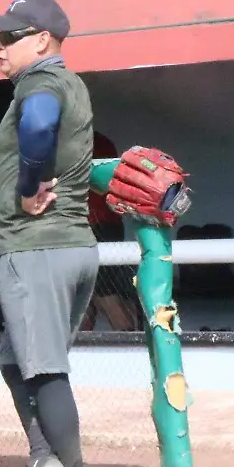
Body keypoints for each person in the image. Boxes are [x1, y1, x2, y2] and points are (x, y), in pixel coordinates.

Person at [0, 0, 99, 467]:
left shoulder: (42, 82)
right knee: (16, 361)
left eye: (11, 37)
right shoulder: (68, 82)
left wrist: (27, 186)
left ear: (43, 40)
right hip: (68, 245)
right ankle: (45, 463)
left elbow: (38, 126)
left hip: (37, 247)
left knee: (46, 372)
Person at [80, 131, 141, 331]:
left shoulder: (75, 142)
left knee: (103, 294)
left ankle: (129, 341)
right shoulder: (102, 141)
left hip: (91, 225)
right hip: (108, 223)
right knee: (88, 295)